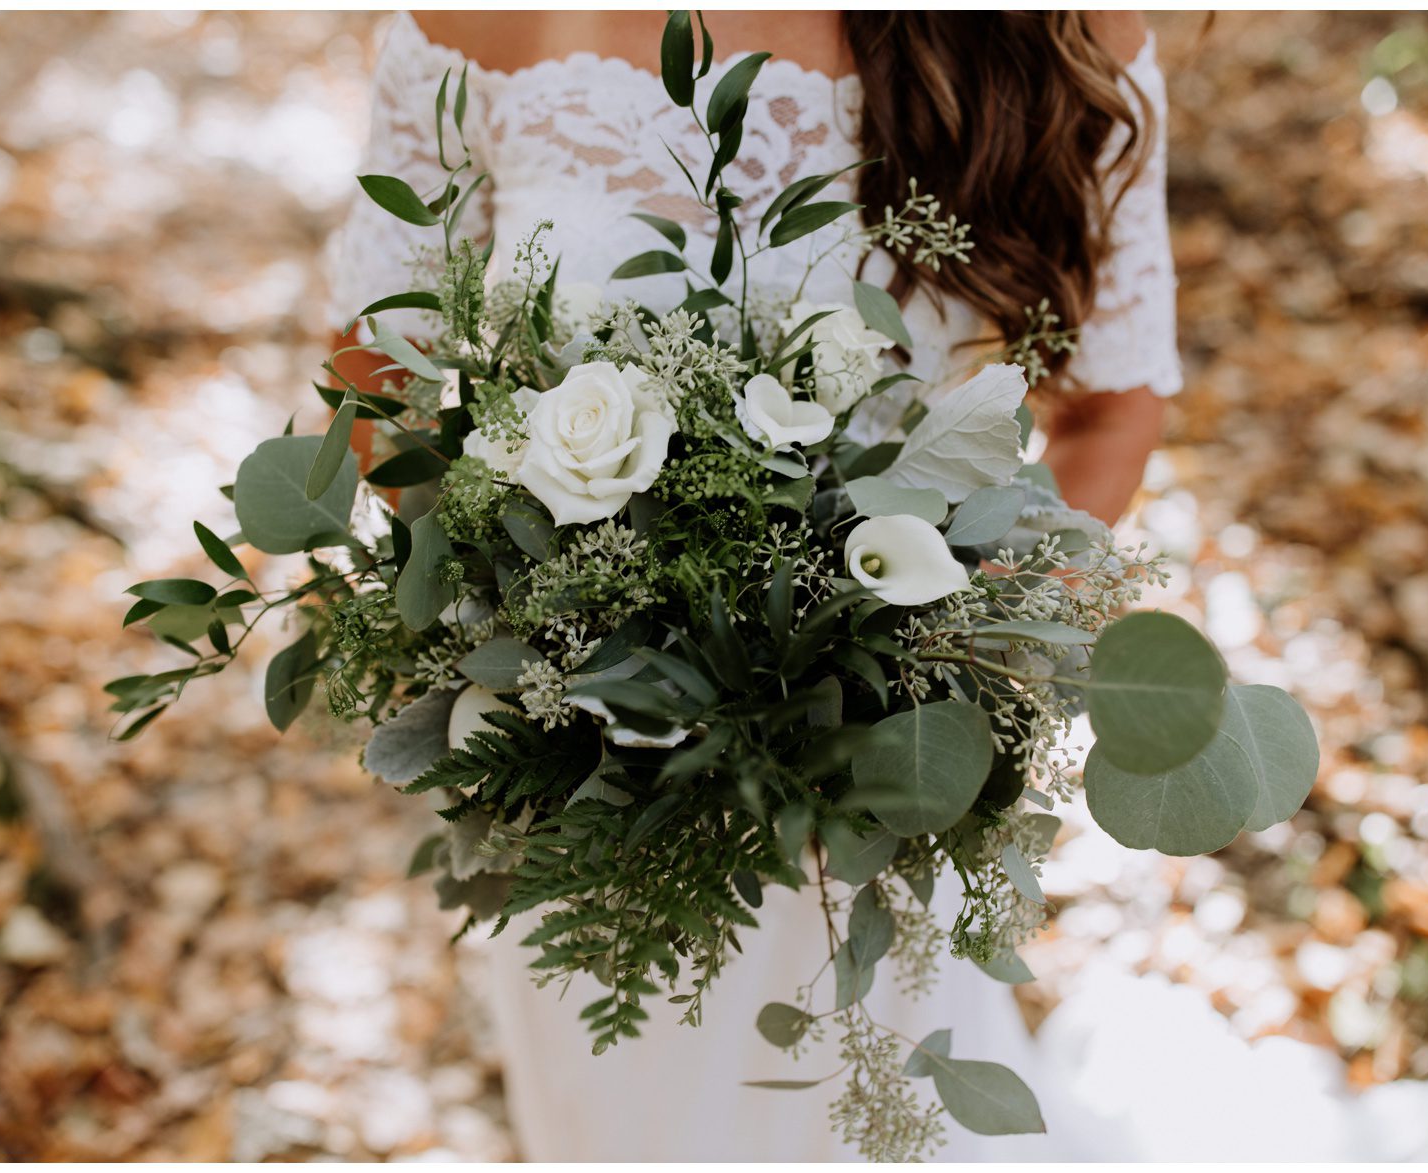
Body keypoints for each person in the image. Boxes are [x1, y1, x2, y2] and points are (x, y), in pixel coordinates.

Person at [326, 11, 1180, 1160]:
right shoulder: (476, 21)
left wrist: (945, 667)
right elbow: (377, 362)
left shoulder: (1055, 30)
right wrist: (501, 596)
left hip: (873, 776)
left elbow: (1108, 409)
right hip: (576, 778)